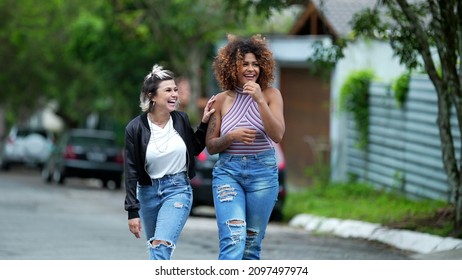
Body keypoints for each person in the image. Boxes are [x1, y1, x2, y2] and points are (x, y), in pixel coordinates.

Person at [124, 64, 216, 260]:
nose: (175, 94)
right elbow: (131, 171)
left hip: (177, 189)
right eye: (168, 90)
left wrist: (205, 123)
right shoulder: (135, 128)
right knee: (156, 248)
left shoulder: (181, 119)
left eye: (176, 89)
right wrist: (132, 211)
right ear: (152, 96)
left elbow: (194, 149)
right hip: (147, 193)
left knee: (161, 246)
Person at [206, 34, 285, 260]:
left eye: (255, 64)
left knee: (251, 246)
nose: (251, 69)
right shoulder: (221, 100)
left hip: (263, 173)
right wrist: (231, 136)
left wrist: (259, 100)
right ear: (232, 66)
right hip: (228, 173)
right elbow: (211, 146)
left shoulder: (271, 95)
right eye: (244, 64)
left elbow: (277, 134)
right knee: (233, 239)